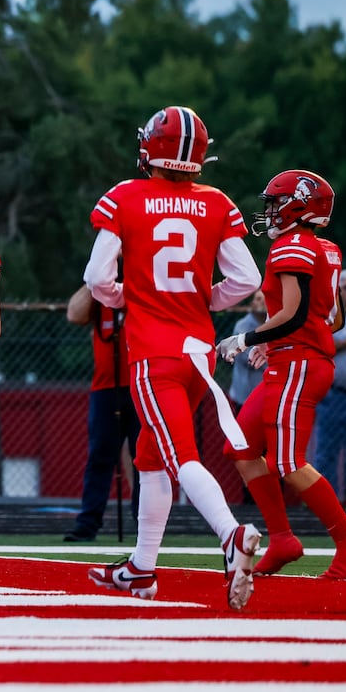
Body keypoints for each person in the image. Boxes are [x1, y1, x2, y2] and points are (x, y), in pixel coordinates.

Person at [83, 105, 263, 609]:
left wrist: (129, 297)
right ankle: (141, 569)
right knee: (150, 457)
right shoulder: (216, 201)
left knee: (180, 456)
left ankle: (231, 535)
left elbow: (97, 279)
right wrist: (202, 299)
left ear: (150, 149)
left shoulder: (125, 196)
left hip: (153, 350)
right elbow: (247, 281)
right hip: (198, 353)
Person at [216, 170, 346, 580]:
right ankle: (282, 539)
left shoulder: (290, 246)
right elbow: (329, 320)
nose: (271, 211)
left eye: (276, 202)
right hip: (294, 357)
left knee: (288, 462)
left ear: (300, 204)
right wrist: (271, 341)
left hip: (298, 362)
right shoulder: (325, 247)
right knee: (240, 446)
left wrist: (247, 338)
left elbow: (295, 314)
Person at [63, 283, 139, 542]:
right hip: (106, 387)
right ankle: (88, 523)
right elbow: (74, 314)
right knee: (100, 457)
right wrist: (95, 279)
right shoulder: (101, 290)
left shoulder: (144, 284)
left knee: (144, 458)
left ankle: (145, 522)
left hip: (142, 383)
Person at [312, 269, 346, 507]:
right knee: (327, 452)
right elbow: (323, 346)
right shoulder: (331, 319)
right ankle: (324, 504)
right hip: (335, 394)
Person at [228, 291, 268, 408]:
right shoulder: (242, 327)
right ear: (252, 303)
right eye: (258, 299)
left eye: (265, 299)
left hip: (265, 395)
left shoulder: (275, 326)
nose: (262, 302)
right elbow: (249, 359)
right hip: (243, 396)